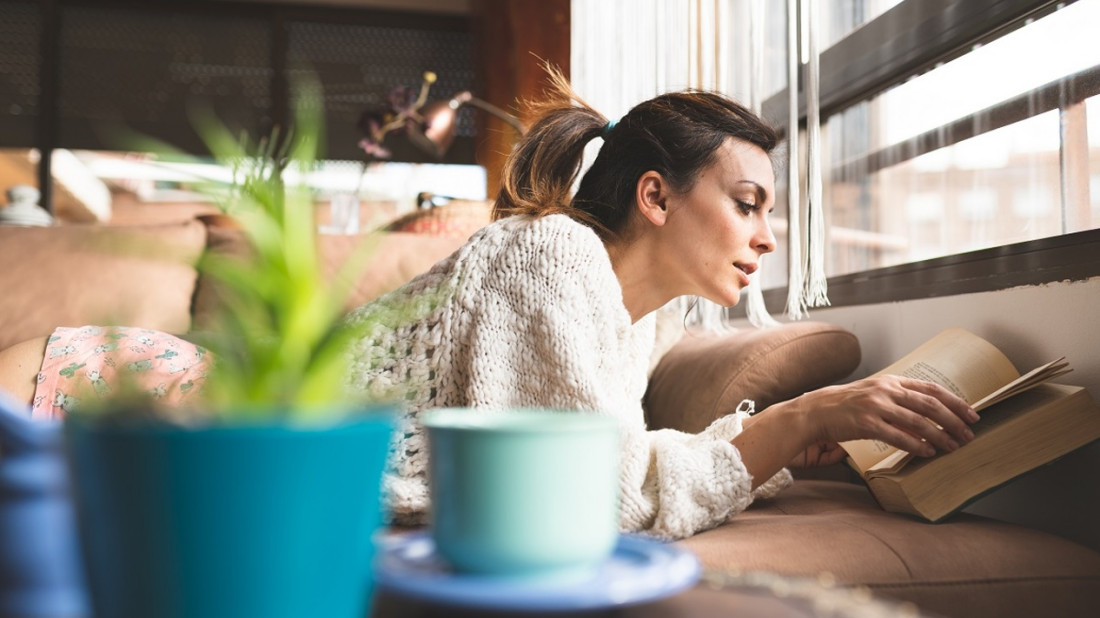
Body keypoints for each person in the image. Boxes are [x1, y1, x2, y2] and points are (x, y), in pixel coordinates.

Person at [0, 68, 978, 540]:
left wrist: (759, 445)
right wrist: (793, 420)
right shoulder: (550, 254)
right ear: (654, 194)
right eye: (747, 203)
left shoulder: (641, 321)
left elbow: (600, 469)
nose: (766, 237)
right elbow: (578, 498)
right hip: (127, 394)